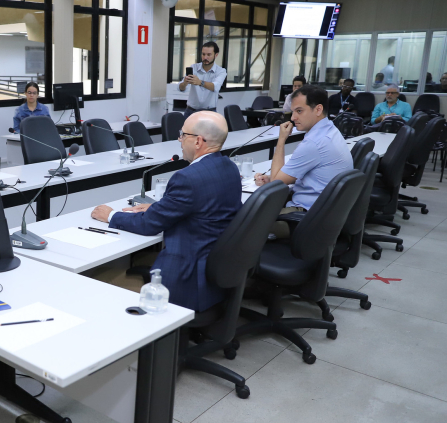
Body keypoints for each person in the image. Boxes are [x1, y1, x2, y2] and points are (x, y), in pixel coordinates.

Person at [90, 112, 242, 312]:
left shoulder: (187, 178)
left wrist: (111, 215)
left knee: (96, 279)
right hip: (217, 270)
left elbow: (149, 225)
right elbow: (202, 205)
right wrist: (159, 207)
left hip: (186, 277)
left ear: (197, 141)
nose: (179, 140)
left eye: (183, 135)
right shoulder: (229, 167)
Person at [254, 85, 353, 238]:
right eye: (293, 111)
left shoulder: (314, 142)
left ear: (318, 110)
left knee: (246, 220)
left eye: (299, 111)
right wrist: (279, 176)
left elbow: (276, 182)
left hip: (305, 219)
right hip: (326, 214)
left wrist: (281, 140)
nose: (293, 117)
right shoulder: (330, 130)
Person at [179, 42, 227, 118]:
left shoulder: (221, 71)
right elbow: (181, 88)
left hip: (210, 112)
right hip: (191, 111)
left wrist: (200, 82)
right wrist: (185, 83)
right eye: (203, 54)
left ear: (216, 55)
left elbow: (216, 87)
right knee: (184, 130)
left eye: (209, 54)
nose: (205, 57)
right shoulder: (194, 68)